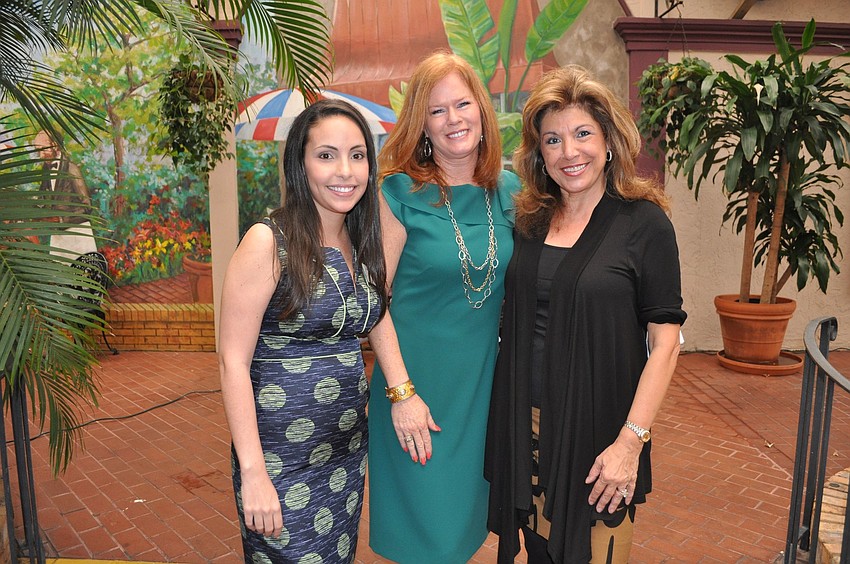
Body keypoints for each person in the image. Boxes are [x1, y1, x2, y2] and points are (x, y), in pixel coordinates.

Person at [484, 65, 687, 563]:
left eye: (582, 134)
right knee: (538, 553)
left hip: (600, 439)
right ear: (539, 153)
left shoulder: (645, 224)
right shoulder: (530, 219)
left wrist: (630, 444)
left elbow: (665, 345)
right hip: (527, 428)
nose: (569, 152)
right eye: (552, 140)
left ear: (609, 141)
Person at [366, 50, 521, 562]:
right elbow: (374, 299)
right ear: (423, 125)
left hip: (481, 392)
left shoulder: (513, 192)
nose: (453, 119)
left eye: (462, 104)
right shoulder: (398, 193)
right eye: (437, 110)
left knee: (461, 534)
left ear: (481, 109)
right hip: (416, 390)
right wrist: (401, 394)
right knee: (428, 539)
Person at [218, 99, 388, 563]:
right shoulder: (268, 241)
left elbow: (376, 319)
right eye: (326, 155)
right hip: (280, 461)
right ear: (301, 163)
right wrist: (253, 472)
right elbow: (233, 362)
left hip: (345, 455)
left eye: (357, 155)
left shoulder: (361, 239)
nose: (345, 171)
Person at [33, 130, 98, 257]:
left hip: (78, 235)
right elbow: (42, 198)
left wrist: (61, 219)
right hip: (58, 237)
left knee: (82, 268)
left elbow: (87, 206)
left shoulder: (71, 169)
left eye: (43, 150)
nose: (40, 156)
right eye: (37, 151)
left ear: (55, 145)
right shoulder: (46, 170)